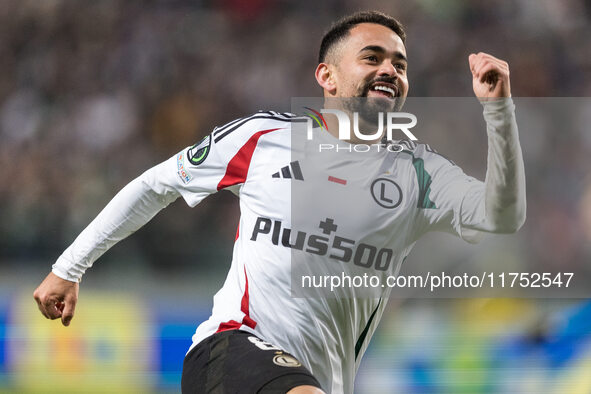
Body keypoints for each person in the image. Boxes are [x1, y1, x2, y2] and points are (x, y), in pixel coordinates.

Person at [33, 11, 526, 394]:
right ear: (327, 77)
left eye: (399, 63)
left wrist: (498, 113)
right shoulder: (265, 137)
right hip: (230, 350)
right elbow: (156, 185)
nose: (389, 71)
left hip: (320, 379)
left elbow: (501, 217)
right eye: (372, 57)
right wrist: (70, 266)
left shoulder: (419, 172)